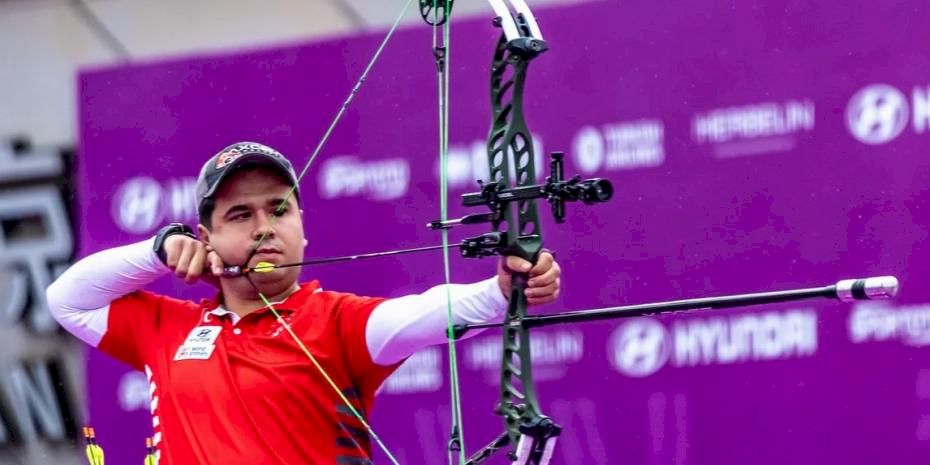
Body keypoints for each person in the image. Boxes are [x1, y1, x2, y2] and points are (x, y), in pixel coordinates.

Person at [46, 141, 562, 465]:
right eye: (239, 216)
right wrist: (157, 251)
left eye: (279, 209)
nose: (265, 228)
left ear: (303, 226)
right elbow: (66, 300)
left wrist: (501, 290)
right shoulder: (167, 326)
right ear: (206, 236)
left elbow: (427, 311)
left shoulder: (338, 322)